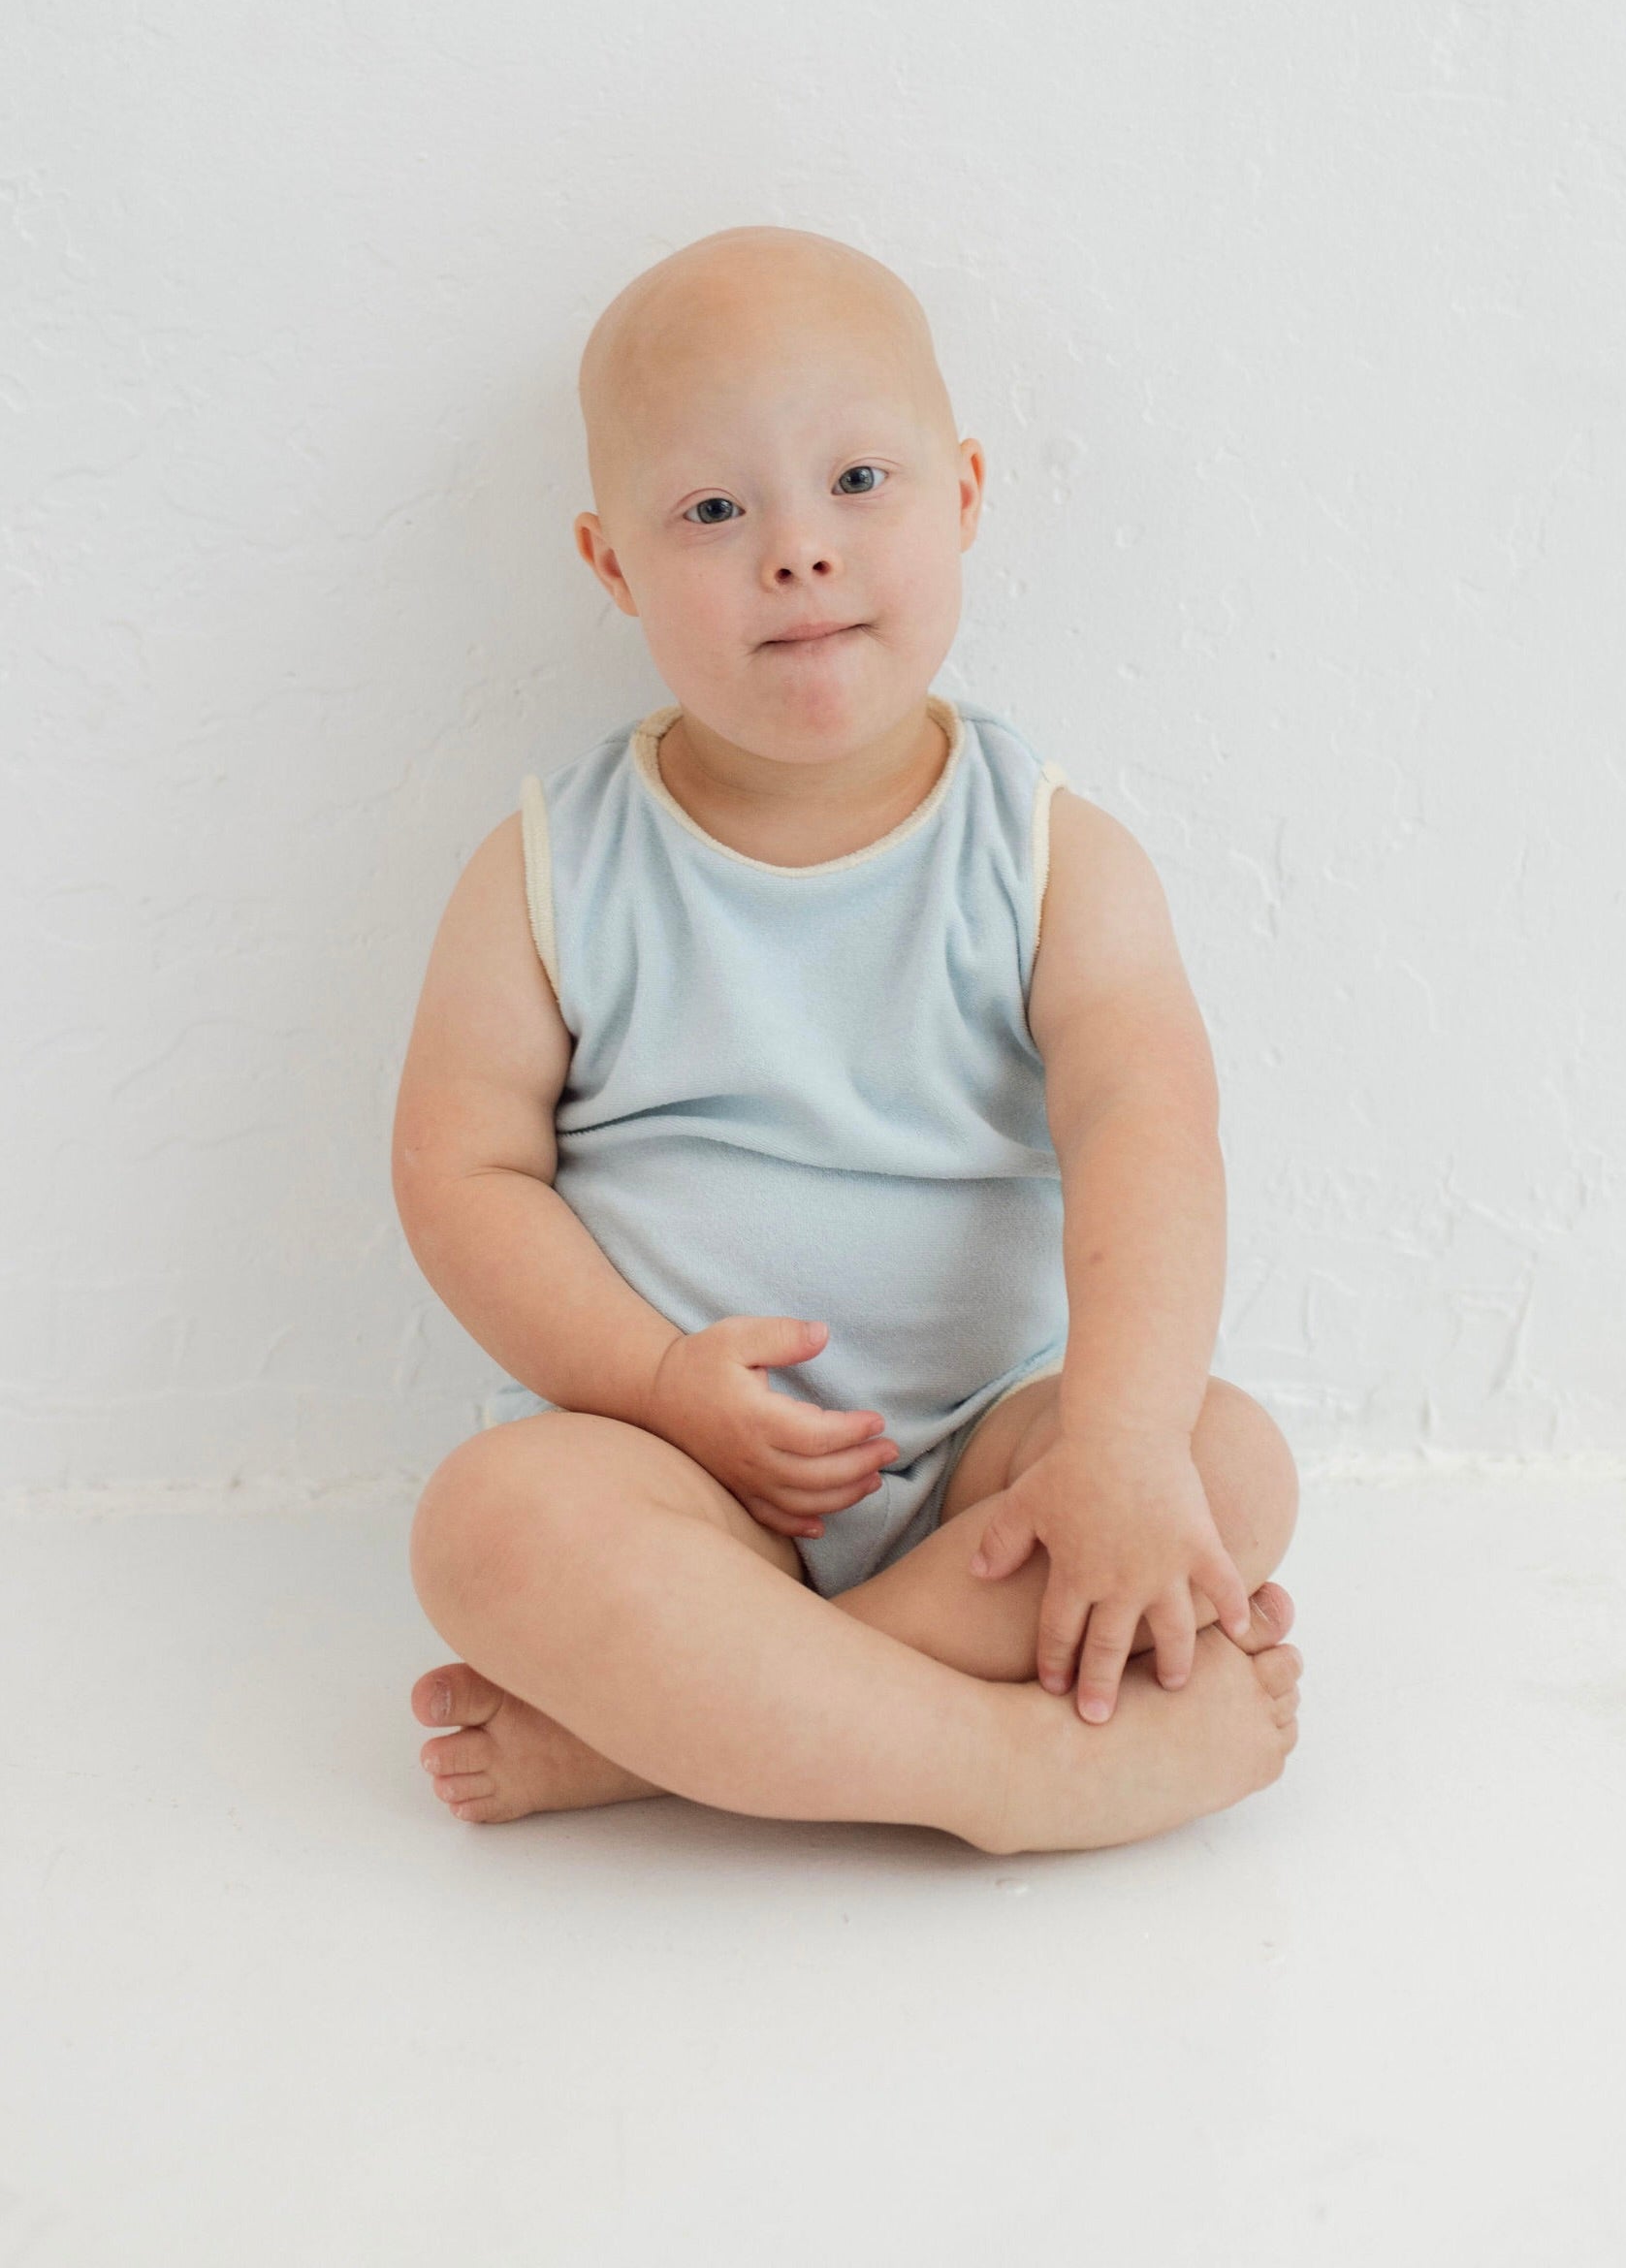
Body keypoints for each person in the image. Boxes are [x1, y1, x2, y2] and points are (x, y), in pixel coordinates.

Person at [393, 225, 1302, 1855]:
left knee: (1223, 1466)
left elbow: (1147, 1134)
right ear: (611, 565)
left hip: (988, 1466)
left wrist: (1112, 1442)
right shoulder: (552, 866)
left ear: (962, 494)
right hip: (683, 1474)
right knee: (490, 1528)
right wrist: (654, 1383)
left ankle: (669, 1740)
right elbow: (461, 1172)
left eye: (860, 481)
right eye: (714, 511)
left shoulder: (1045, 855)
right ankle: (1011, 1771)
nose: (797, 552)